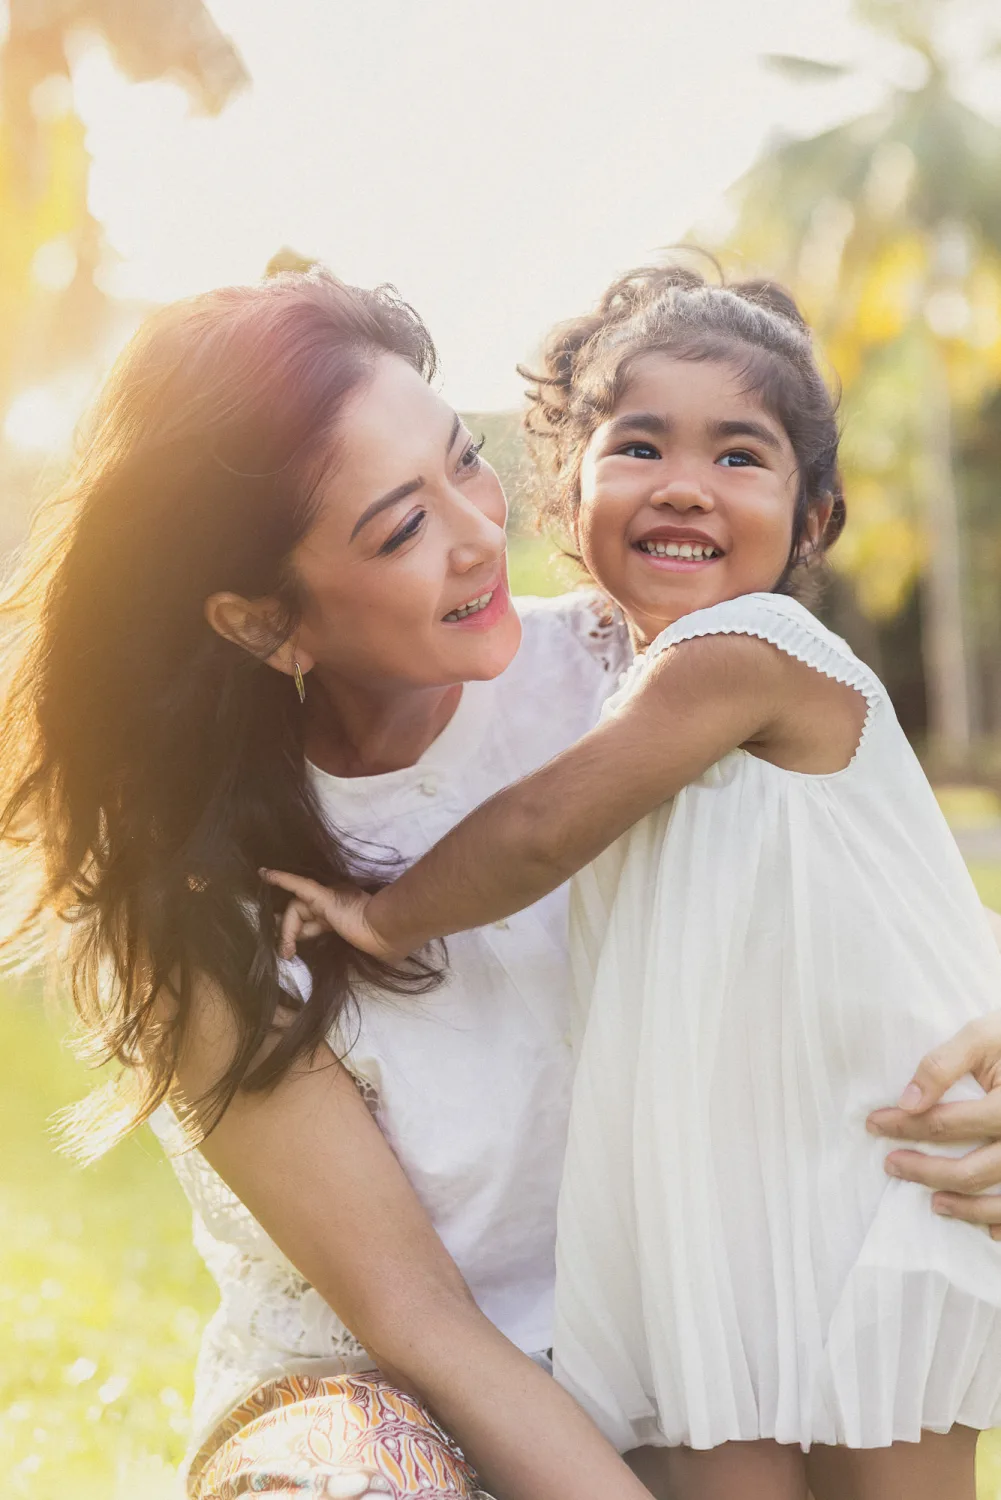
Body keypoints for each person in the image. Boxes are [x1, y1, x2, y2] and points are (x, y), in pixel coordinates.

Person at [2, 266, 1000, 1500]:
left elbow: (874, 887)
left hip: (685, 1350)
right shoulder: (206, 900)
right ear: (265, 624)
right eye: (399, 526)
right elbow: (421, 1320)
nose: (479, 532)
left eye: (460, 463)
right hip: (407, 1401)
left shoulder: (645, 674)